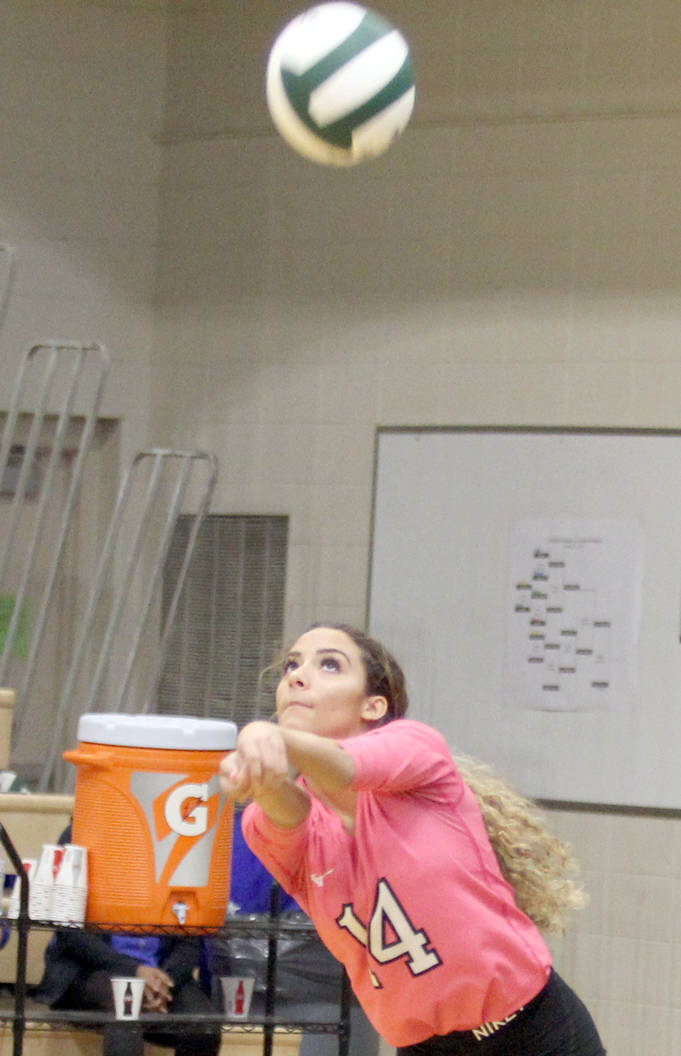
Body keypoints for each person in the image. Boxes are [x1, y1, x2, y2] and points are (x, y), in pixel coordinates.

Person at [218, 623, 606, 1056]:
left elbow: (348, 767)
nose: (296, 676)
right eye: (292, 664)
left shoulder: (416, 747)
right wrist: (263, 776)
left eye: (329, 664)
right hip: (426, 1048)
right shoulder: (267, 822)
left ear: (373, 705)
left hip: (531, 1031)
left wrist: (269, 736)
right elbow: (288, 813)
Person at [34, 826, 221, 1056]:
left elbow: (190, 936)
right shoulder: (83, 829)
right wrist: (134, 970)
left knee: (204, 1025)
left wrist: (165, 980)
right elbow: (70, 933)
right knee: (128, 1008)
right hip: (93, 969)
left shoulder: (179, 833)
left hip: (162, 972)